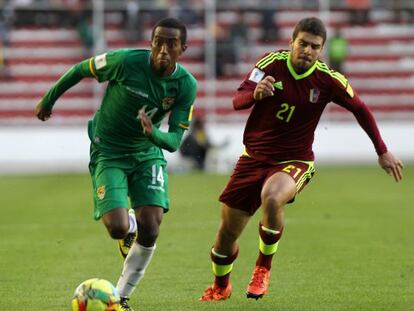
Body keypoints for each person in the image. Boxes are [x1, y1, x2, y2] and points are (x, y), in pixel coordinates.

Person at [199, 17, 403, 302]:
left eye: (315, 46)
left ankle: (262, 268)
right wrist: (255, 95)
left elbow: (361, 109)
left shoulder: (329, 80)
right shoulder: (270, 64)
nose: (307, 50)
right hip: (253, 158)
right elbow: (238, 99)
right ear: (291, 42)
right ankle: (221, 286)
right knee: (225, 238)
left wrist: (382, 151)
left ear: (321, 50)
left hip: (295, 161)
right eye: (303, 43)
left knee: (272, 197)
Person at [35, 17, 197, 311]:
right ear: (150, 42)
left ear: (182, 49)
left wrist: (153, 134)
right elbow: (81, 69)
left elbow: (174, 141)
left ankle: (120, 298)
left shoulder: (185, 85)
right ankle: (128, 223)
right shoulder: (125, 61)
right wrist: (49, 100)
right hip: (108, 150)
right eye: (158, 41)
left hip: (147, 153)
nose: (163, 48)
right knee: (117, 228)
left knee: (152, 227)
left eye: (171, 44)